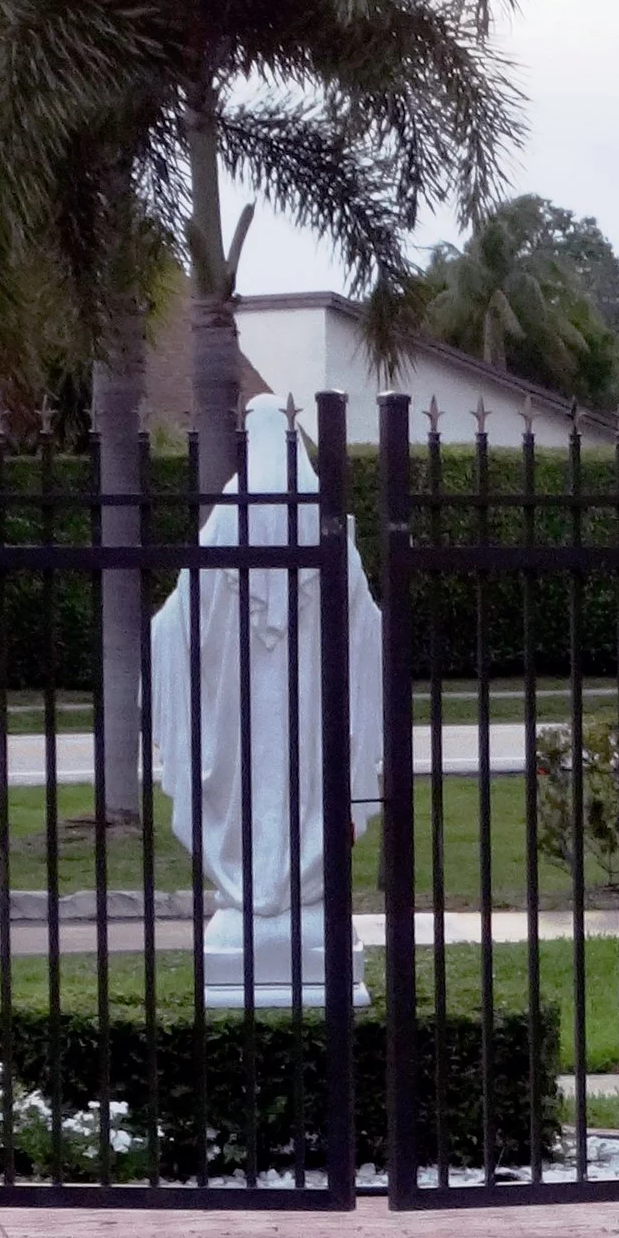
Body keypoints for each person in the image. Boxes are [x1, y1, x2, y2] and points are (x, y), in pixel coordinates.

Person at [148, 399, 384, 1008]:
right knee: (309, 777)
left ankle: (256, 886)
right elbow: (366, 622)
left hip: (241, 705)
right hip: (309, 700)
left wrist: (161, 634)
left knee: (254, 781)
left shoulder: (229, 516)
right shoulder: (327, 517)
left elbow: (181, 615)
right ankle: (300, 885)